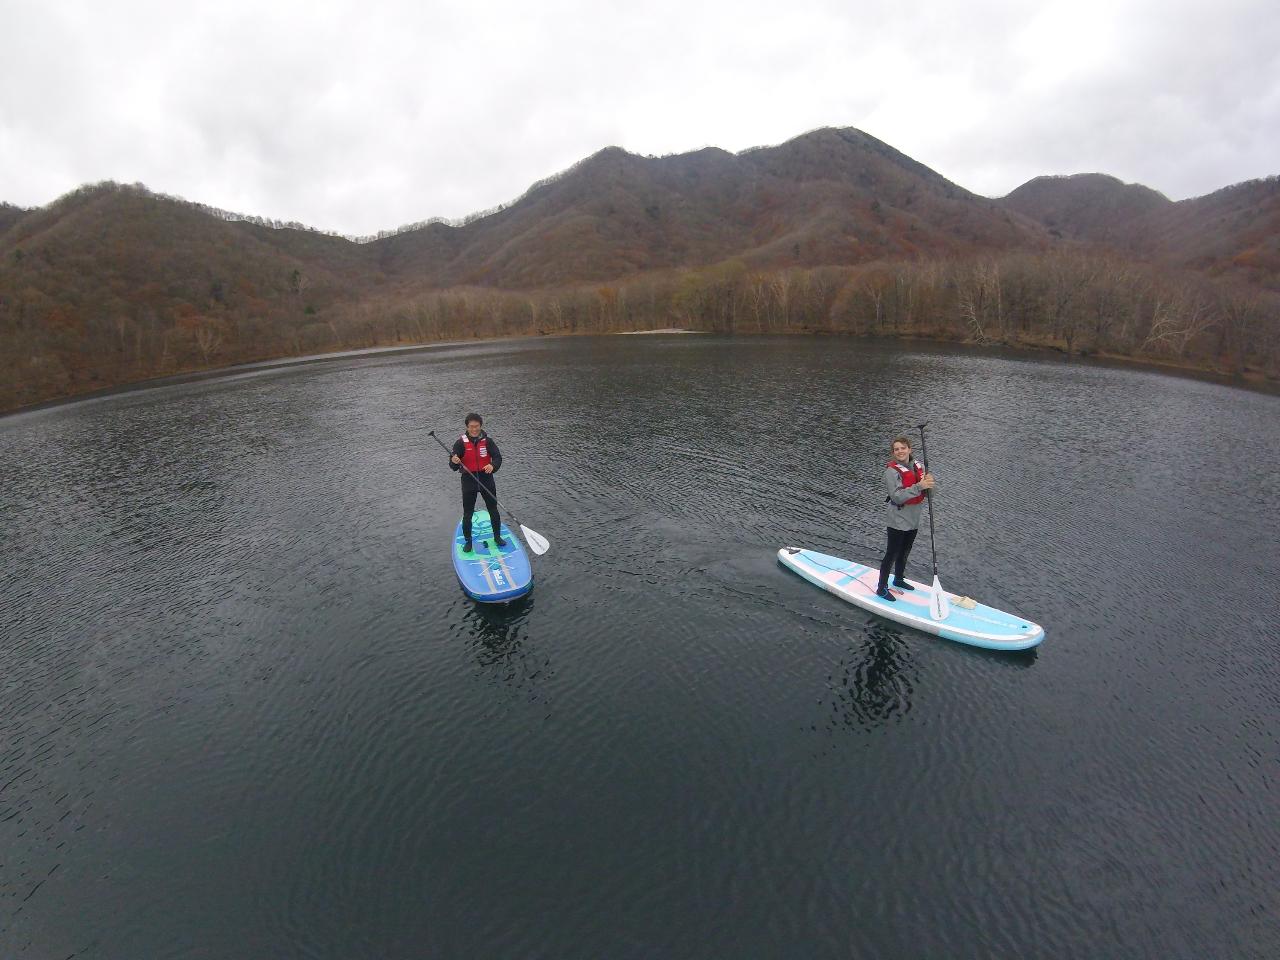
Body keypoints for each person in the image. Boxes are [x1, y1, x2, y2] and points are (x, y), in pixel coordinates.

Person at [876, 436, 935, 601]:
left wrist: (930, 486)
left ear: (909, 449)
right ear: (893, 453)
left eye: (903, 448)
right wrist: (919, 486)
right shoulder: (891, 472)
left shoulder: (920, 467)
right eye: (896, 449)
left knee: (905, 551)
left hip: (913, 519)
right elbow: (897, 497)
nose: (900, 451)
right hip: (897, 519)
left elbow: (928, 492)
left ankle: (899, 579)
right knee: (892, 554)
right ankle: (881, 588)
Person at [449, 412, 505, 553]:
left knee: (493, 509)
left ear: (481, 426)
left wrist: (493, 466)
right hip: (469, 480)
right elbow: (453, 466)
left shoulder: (488, 441)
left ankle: (497, 537)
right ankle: (468, 541)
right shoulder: (460, 443)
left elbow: (498, 457)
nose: (474, 429)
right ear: (467, 427)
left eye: (477, 426)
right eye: (471, 427)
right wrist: (454, 461)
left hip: (486, 479)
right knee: (468, 513)